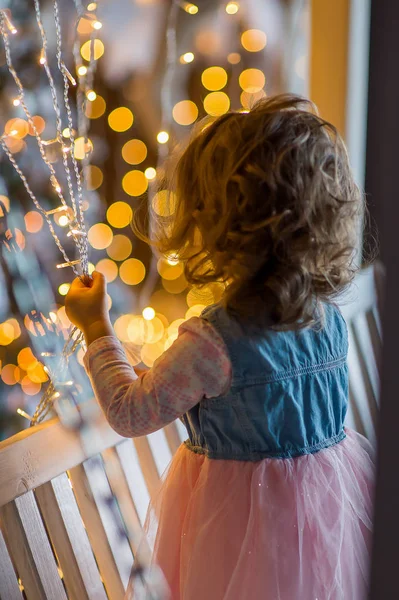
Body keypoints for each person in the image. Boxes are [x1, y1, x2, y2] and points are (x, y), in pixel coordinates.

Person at [66, 94, 374, 599]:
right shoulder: (329, 319)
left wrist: (96, 328)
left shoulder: (212, 344)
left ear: (220, 224)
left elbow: (129, 412)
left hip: (235, 535)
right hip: (325, 521)